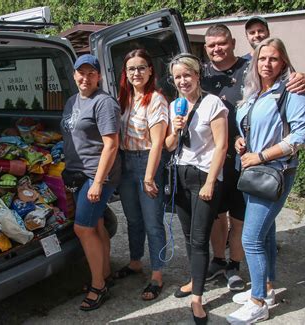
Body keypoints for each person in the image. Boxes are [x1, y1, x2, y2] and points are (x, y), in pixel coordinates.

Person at [201, 24, 305, 292]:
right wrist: (241, 139)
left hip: (259, 166)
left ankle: (249, 284)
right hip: (224, 159)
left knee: (247, 229)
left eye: (222, 43)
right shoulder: (205, 76)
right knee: (225, 218)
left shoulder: (252, 70)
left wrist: (304, 77)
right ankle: (236, 269)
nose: (217, 49)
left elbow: (302, 133)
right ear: (205, 48)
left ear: (233, 42)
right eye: (211, 45)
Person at [227, 37, 305, 324]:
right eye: (262, 59)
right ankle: (268, 287)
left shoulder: (291, 90)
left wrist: (261, 155)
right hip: (254, 172)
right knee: (266, 233)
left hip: (274, 172)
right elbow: (250, 126)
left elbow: (302, 136)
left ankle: (258, 302)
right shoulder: (254, 91)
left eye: (273, 59)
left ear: (283, 61)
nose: (267, 64)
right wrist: (242, 141)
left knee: (251, 239)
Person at [166, 53, 228, 324]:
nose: (182, 81)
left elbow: (222, 146)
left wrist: (211, 182)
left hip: (205, 176)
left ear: (197, 75)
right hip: (181, 173)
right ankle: (195, 278)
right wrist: (176, 129)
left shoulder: (213, 103)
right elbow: (169, 145)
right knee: (189, 235)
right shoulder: (175, 106)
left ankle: (198, 300)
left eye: (187, 75)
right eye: (178, 77)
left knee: (201, 239)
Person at [60, 54, 121, 311]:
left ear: (99, 76)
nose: (85, 78)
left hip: (97, 174)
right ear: (74, 75)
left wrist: (97, 182)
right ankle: (105, 273)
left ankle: (98, 286)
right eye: (80, 73)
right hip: (77, 172)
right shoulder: (73, 101)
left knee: (82, 228)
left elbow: (111, 144)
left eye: (91, 73)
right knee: (95, 224)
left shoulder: (104, 103)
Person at [113, 49, 168, 301]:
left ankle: (157, 274)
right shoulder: (123, 98)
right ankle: (135, 262)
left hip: (148, 162)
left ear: (150, 70)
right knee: (133, 219)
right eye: (131, 68)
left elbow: (157, 143)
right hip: (126, 163)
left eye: (141, 67)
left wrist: (148, 177)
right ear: (125, 72)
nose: (136, 72)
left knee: (152, 222)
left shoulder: (156, 99)